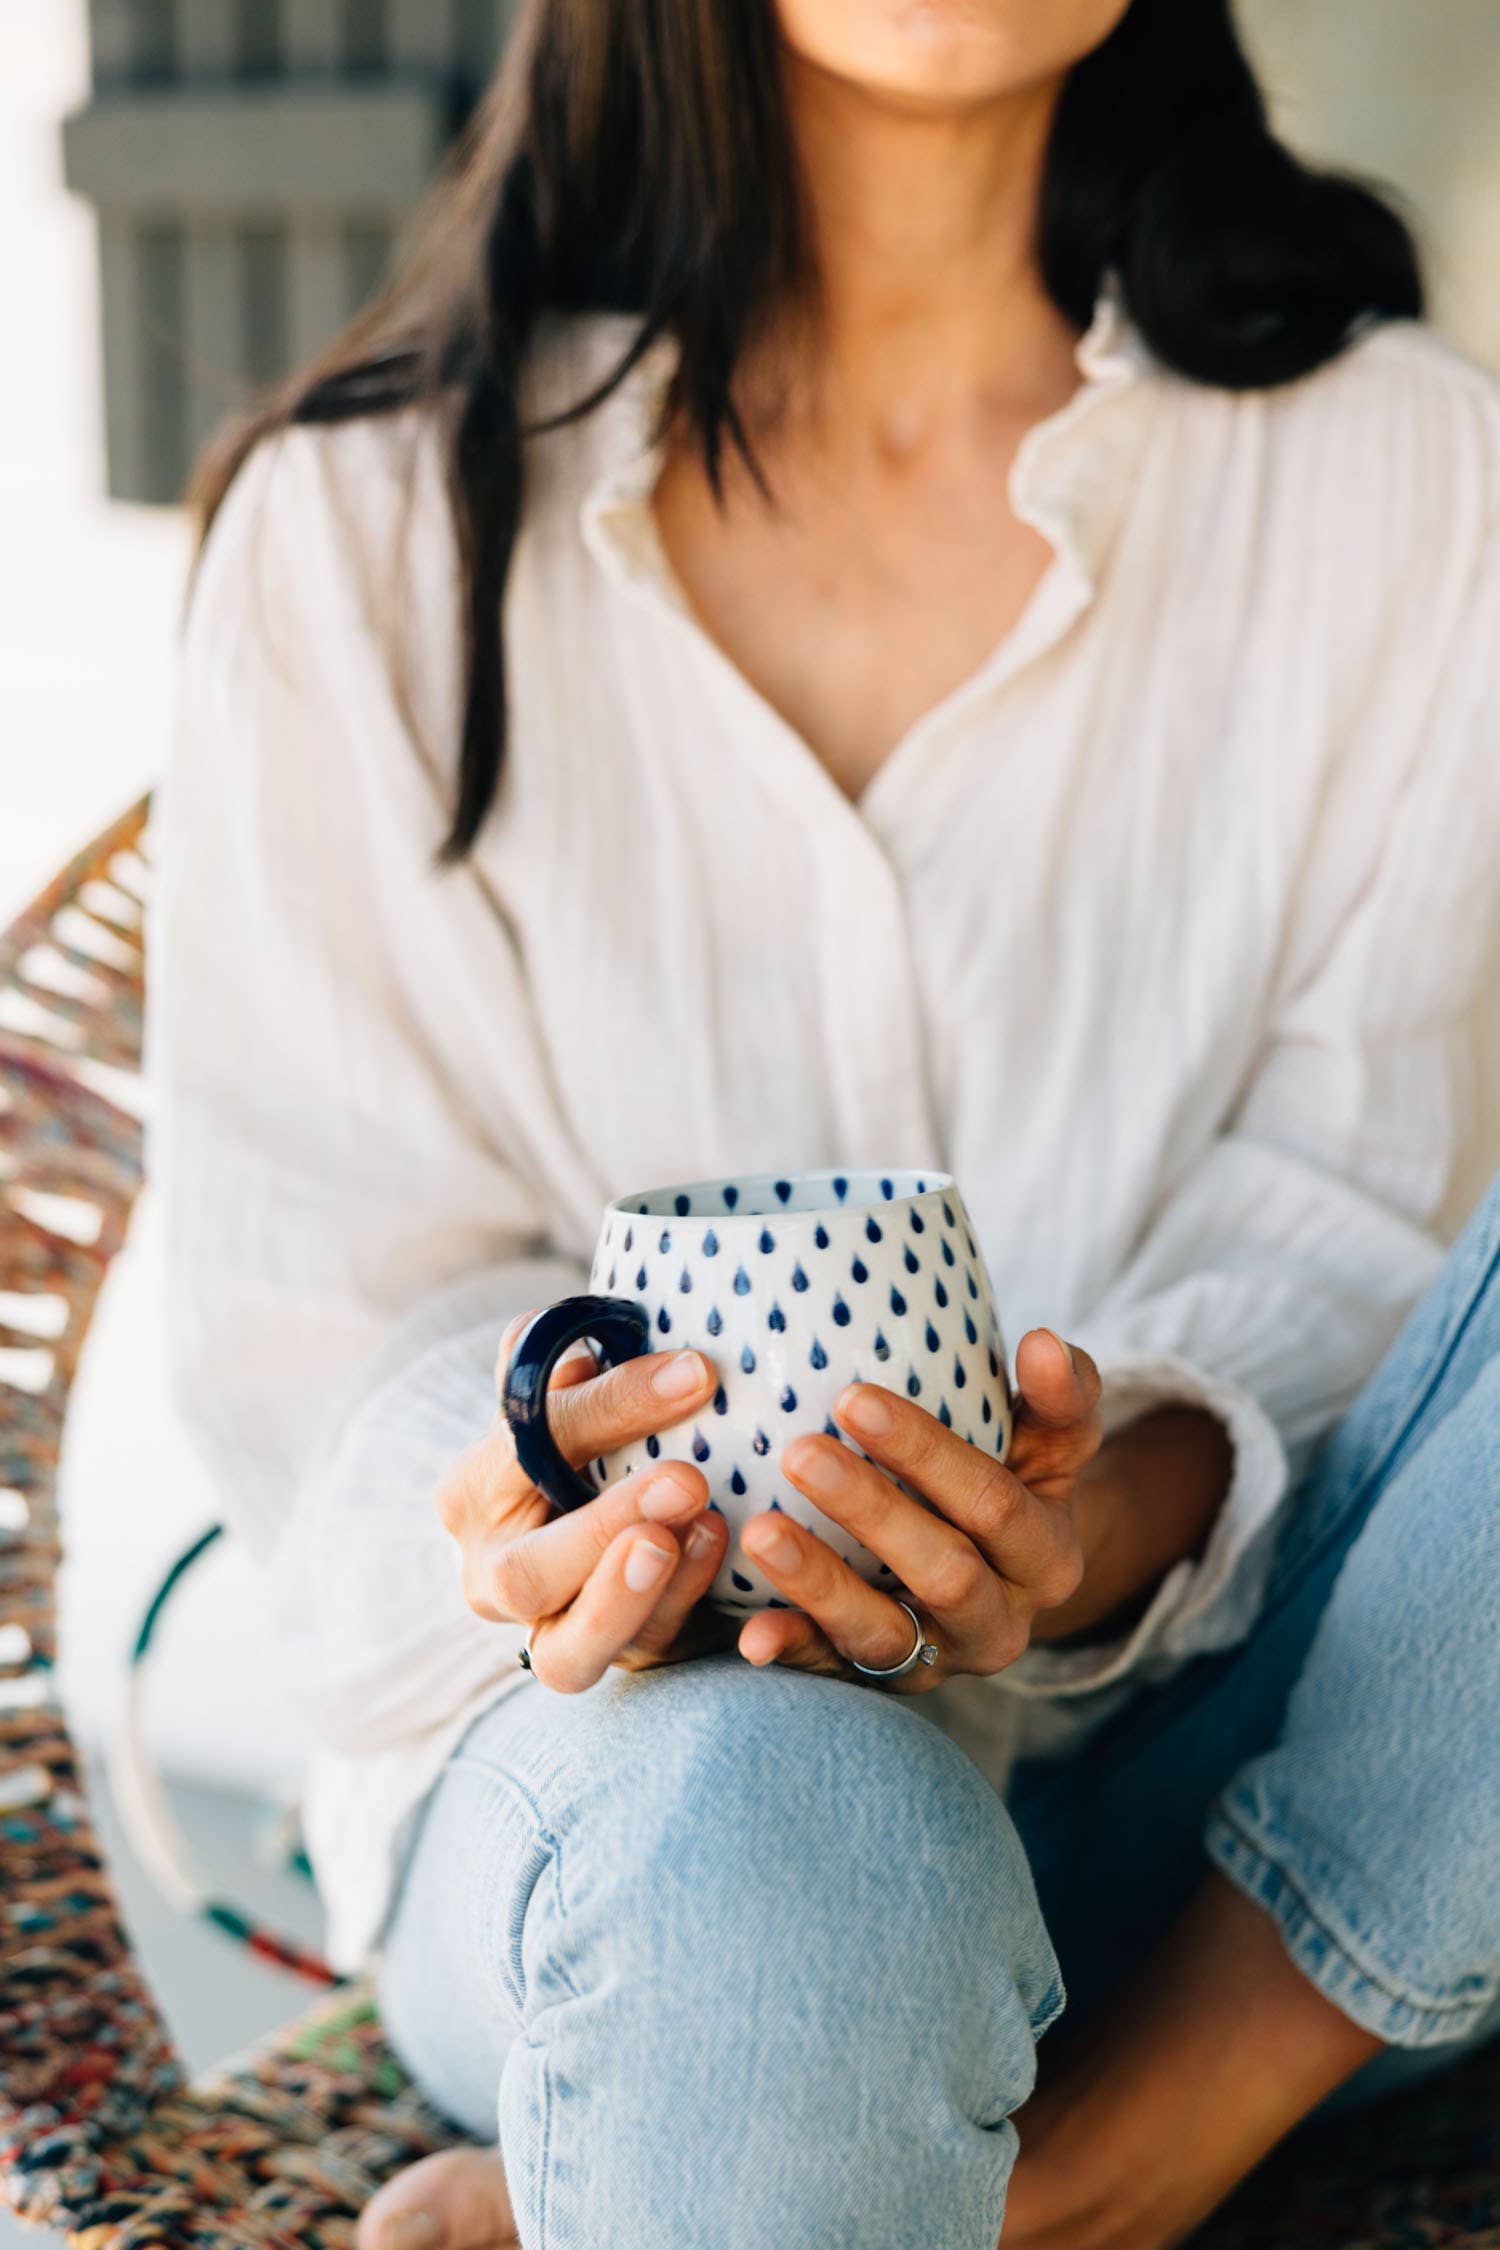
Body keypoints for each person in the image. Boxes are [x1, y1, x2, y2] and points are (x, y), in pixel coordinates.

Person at [146, 0, 1500, 2243]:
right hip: (622, 1793)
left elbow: (1357, 1236)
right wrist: (540, 1524)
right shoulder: (361, 538)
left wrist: (1096, 1523)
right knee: (776, 1833)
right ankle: (788, 2115)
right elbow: (332, 1335)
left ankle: (1094, 2169)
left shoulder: (1409, 481)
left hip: (1255, 1806)